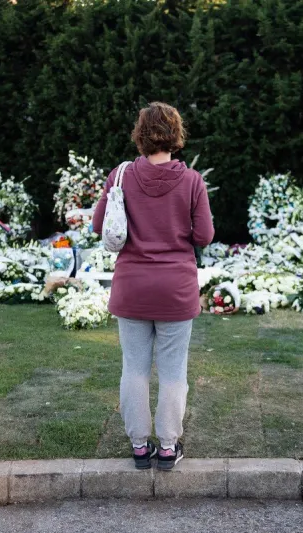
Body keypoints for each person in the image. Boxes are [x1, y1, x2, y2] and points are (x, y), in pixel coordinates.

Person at [93, 102, 215, 470]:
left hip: (131, 287)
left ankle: (138, 446)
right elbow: (205, 235)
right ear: (176, 136)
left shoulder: (121, 175)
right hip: (176, 289)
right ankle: (167, 447)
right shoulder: (192, 181)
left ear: (140, 134)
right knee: (174, 371)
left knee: (134, 369)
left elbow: (99, 223)